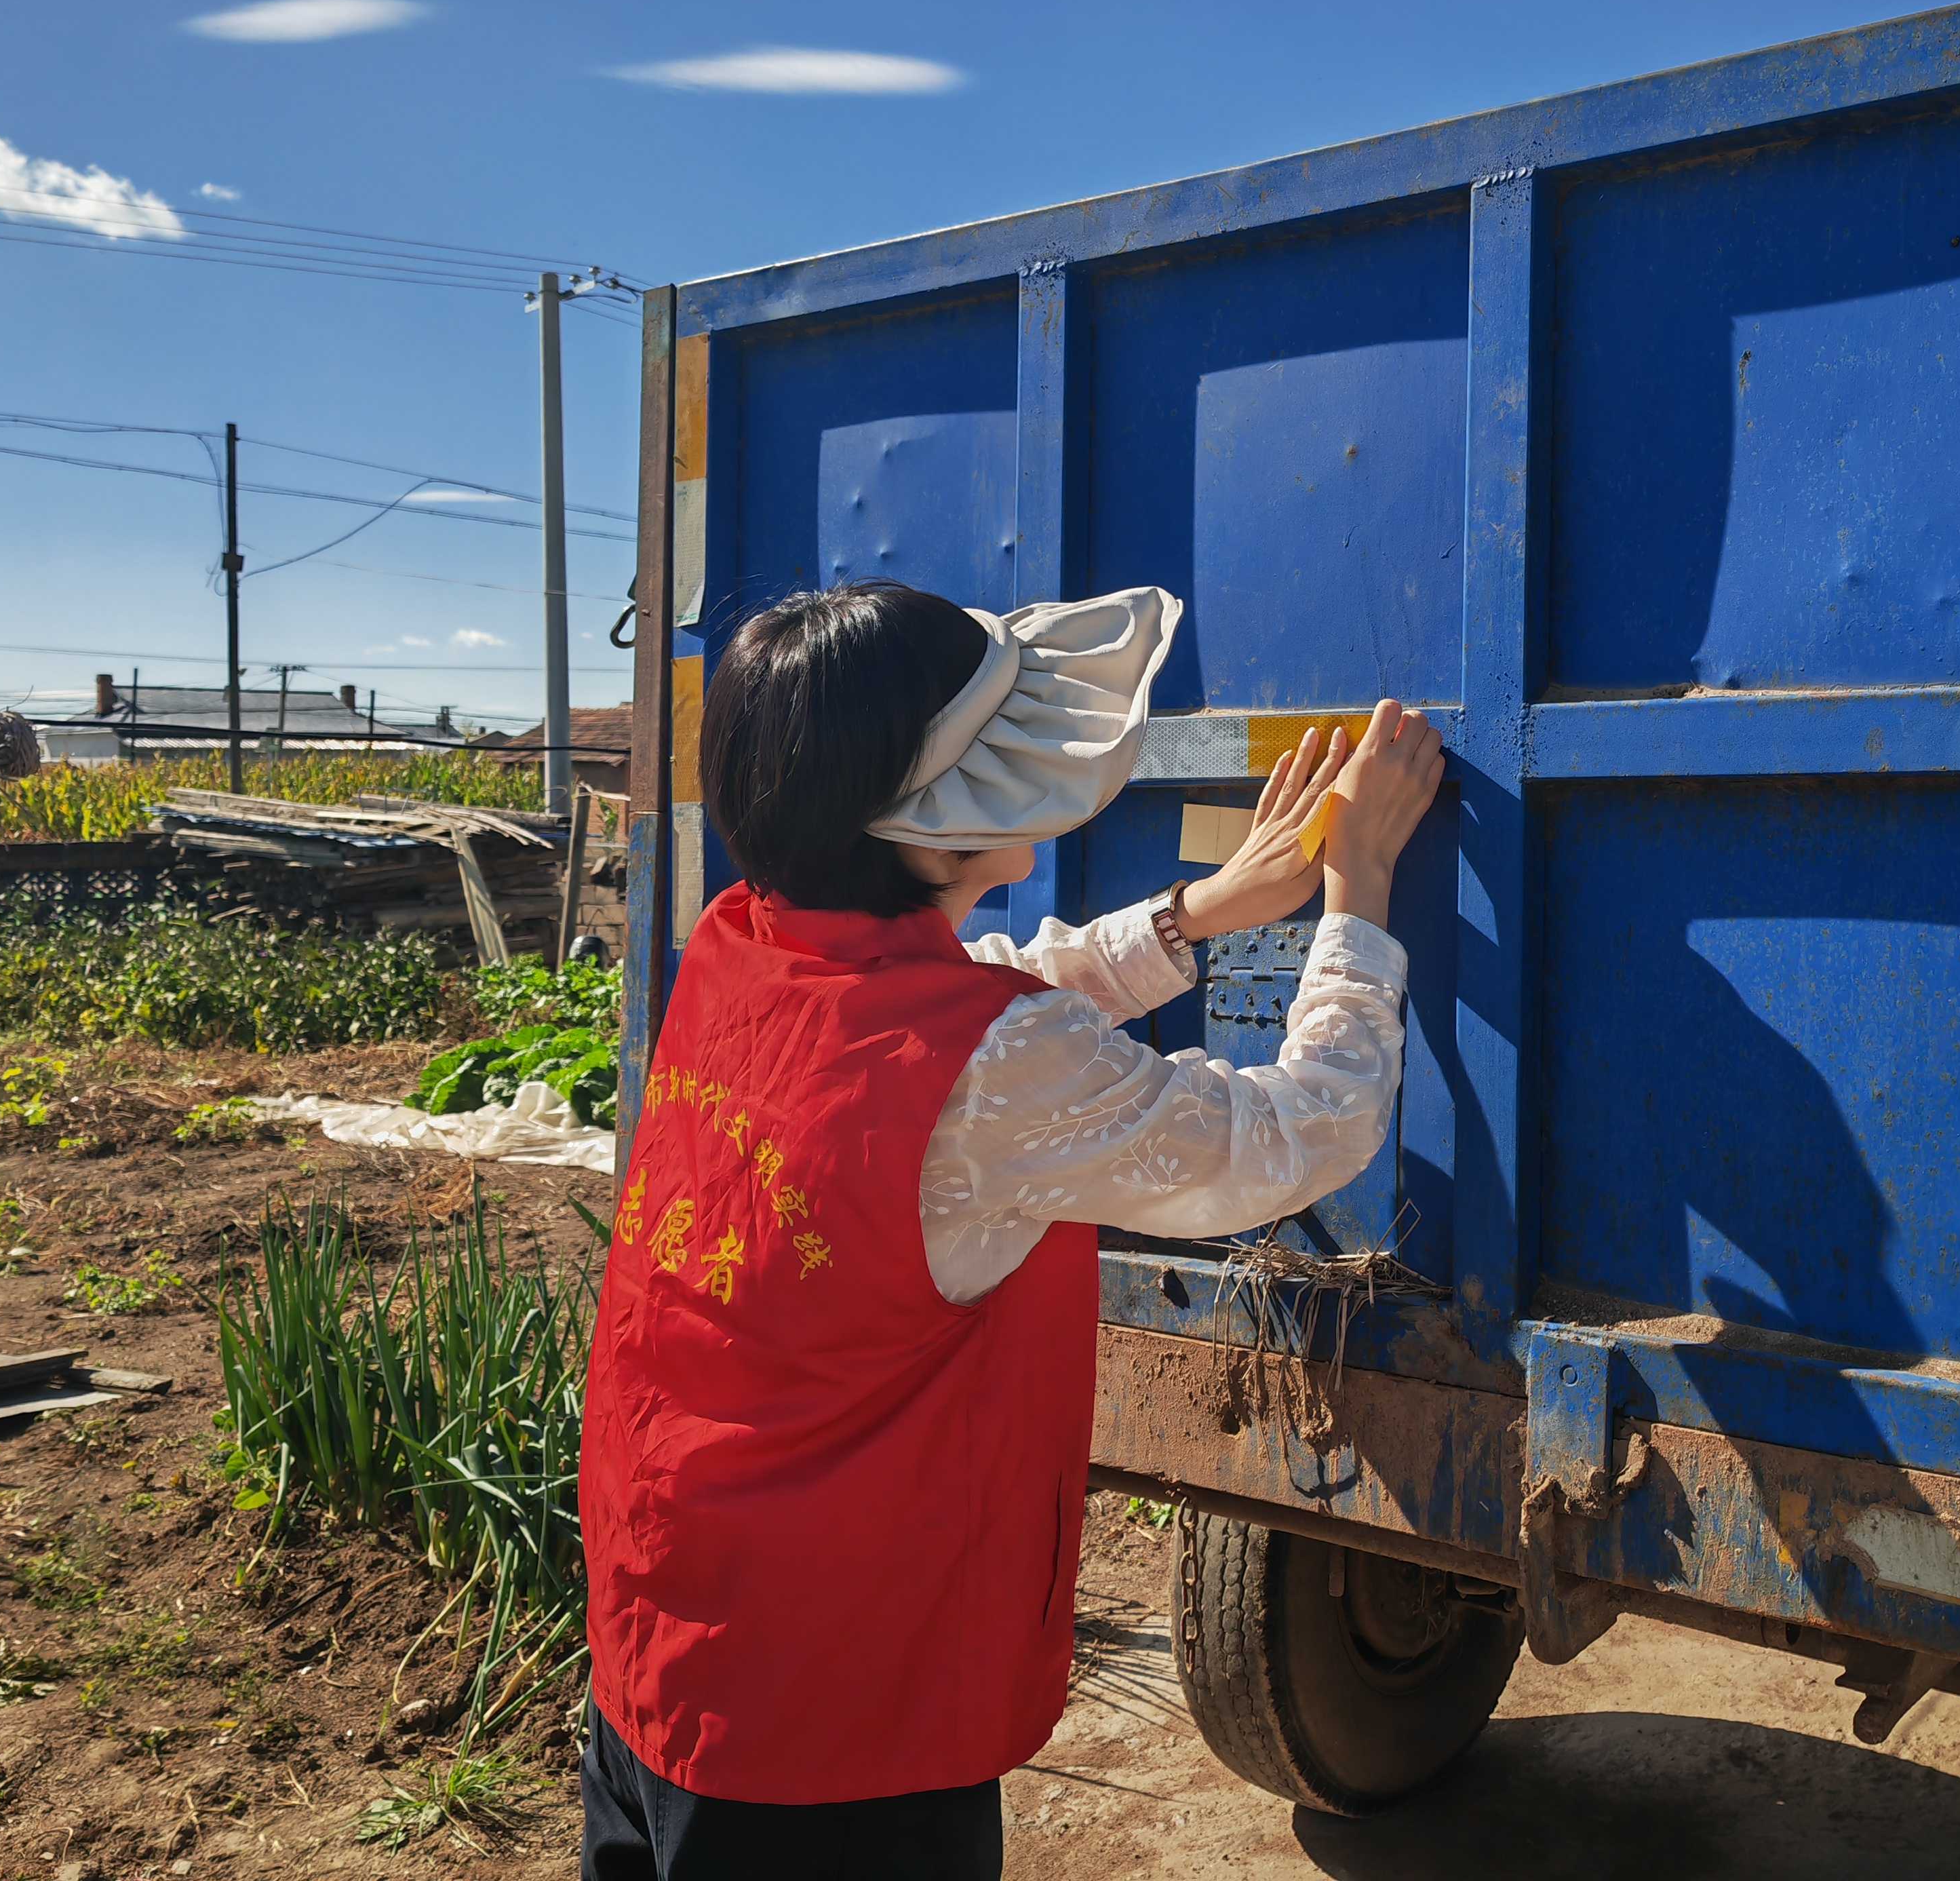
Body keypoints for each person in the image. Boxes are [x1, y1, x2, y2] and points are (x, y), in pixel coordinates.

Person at [577, 579, 1445, 1878]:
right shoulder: (983, 1073)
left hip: (668, 1644)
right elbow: (1298, 1133)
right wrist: (1358, 892)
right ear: (936, 832)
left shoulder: (742, 947)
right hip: (836, 1734)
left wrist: (1194, 915)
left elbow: (983, 995)